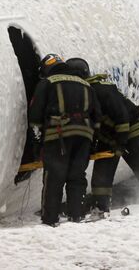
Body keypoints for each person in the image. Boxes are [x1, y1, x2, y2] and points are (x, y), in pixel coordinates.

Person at [66, 58, 139, 214]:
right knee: (101, 176)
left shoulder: (101, 90)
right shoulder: (83, 93)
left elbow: (122, 117)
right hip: (110, 136)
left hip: (132, 130)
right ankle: (100, 209)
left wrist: (120, 143)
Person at [28, 54, 101, 226]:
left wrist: (37, 142)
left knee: (54, 177)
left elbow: (35, 114)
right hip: (84, 136)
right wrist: (92, 140)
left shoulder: (47, 83)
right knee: (76, 176)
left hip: (58, 136)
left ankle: (50, 220)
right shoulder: (86, 84)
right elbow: (97, 116)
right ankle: (77, 217)